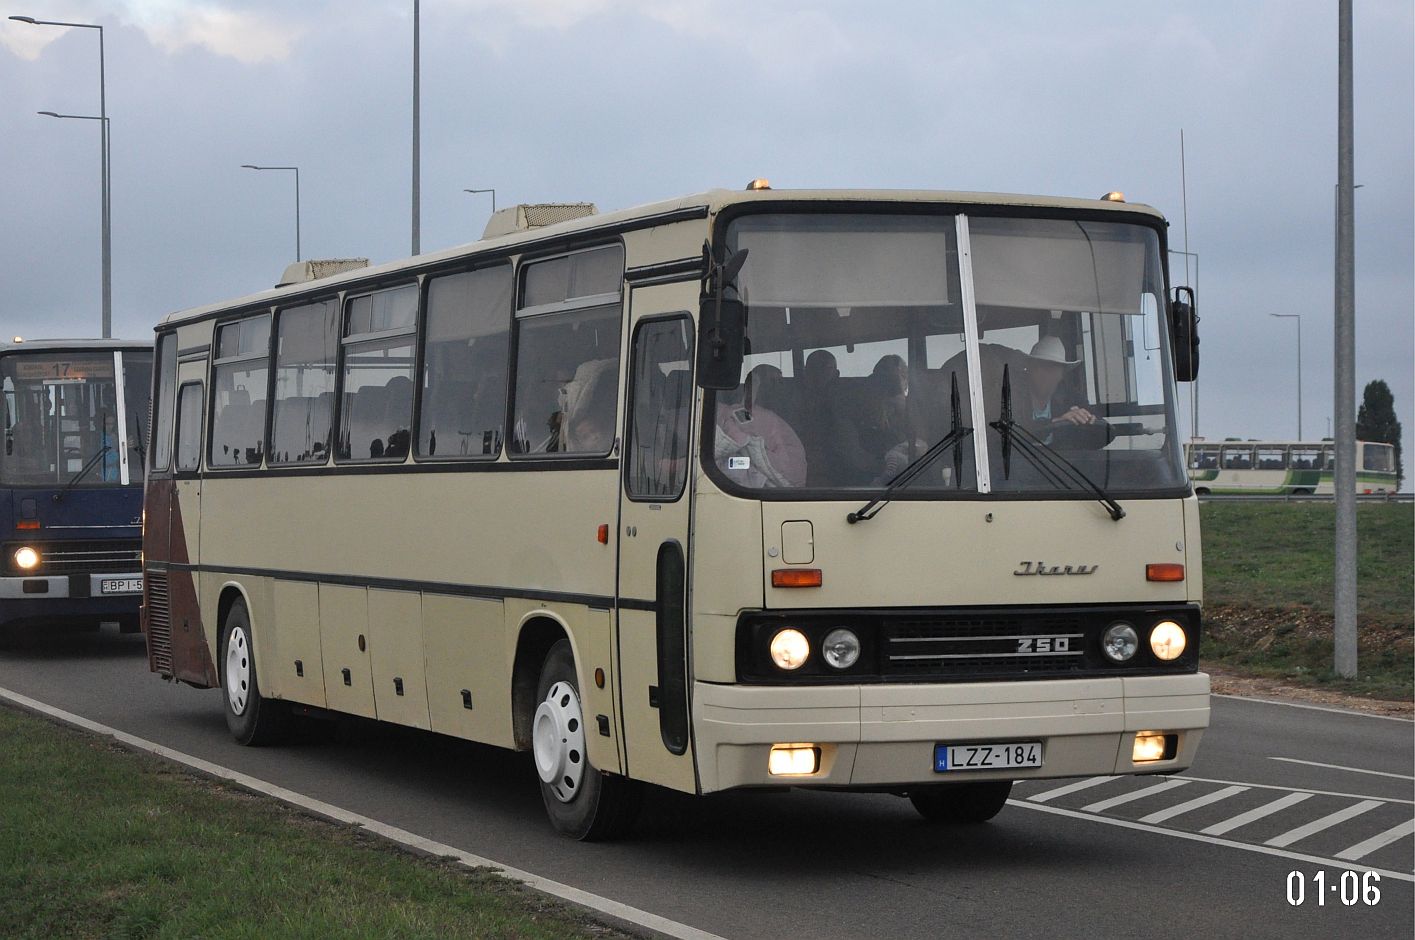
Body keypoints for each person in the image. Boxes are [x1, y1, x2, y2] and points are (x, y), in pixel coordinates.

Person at [714, 369, 806, 487]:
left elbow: (790, 466)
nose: (776, 388)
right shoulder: (742, 413)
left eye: (779, 382)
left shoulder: (789, 417)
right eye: (772, 382)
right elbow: (735, 436)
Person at [1017, 336, 1111, 447]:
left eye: (1054, 369)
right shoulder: (1013, 394)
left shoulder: (1071, 396)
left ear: (1061, 374)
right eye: (1042, 366)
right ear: (1030, 368)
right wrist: (1058, 421)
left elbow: (1101, 429)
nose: (1047, 375)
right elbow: (1009, 432)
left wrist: (1089, 420)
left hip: (1057, 463)